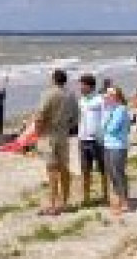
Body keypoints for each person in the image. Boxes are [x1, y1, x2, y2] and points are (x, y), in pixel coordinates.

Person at [33, 68, 78, 215]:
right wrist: (65, 127)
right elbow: (75, 118)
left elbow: (40, 116)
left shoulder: (48, 94)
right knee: (64, 168)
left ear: (53, 79)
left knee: (52, 170)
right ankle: (65, 202)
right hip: (63, 135)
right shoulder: (71, 95)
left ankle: (53, 204)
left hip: (49, 135)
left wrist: (38, 133)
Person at [76, 74, 109, 206]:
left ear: (89, 86)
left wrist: (102, 133)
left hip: (98, 140)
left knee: (103, 169)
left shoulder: (100, 100)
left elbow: (106, 117)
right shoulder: (80, 101)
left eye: (82, 85)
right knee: (85, 170)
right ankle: (86, 198)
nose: (80, 87)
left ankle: (106, 195)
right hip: (83, 140)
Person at [101, 86, 131, 216]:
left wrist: (107, 121)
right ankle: (119, 198)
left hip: (118, 146)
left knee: (118, 173)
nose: (106, 97)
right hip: (108, 145)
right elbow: (103, 126)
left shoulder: (121, 109)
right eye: (106, 95)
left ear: (116, 96)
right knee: (111, 173)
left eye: (109, 95)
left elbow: (112, 128)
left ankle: (124, 202)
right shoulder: (110, 110)